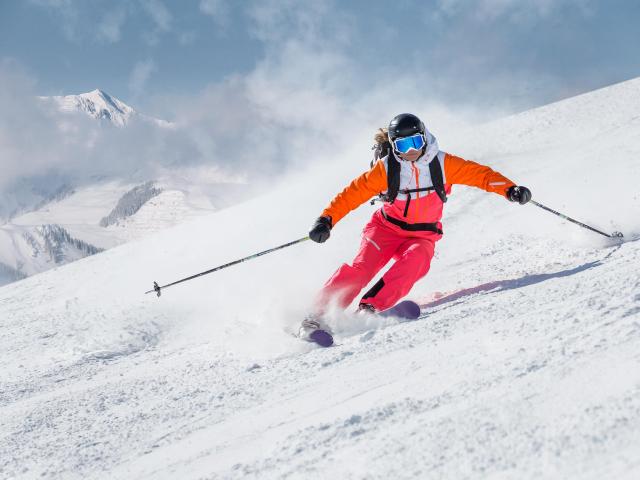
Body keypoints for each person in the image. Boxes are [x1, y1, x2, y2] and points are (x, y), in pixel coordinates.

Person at [300, 113, 531, 339]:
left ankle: (369, 308)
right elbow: (352, 194)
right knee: (361, 269)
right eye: (403, 145)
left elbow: (479, 175)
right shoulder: (386, 169)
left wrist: (510, 189)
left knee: (417, 261)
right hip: (385, 230)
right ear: (394, 146)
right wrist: (326, 220)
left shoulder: (442, 163)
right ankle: (315, 317)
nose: (410, 151)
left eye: (415, 142)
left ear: (424, 137)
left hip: (422, 235)